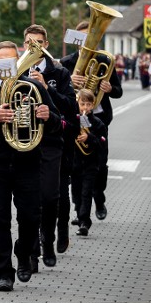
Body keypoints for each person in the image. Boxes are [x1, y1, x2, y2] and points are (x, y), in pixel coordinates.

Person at [0, 41, 62, 291]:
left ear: (18, 61)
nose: (7, 66)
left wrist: (47, 116)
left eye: (12, 61)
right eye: (1, 61)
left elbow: (57, 121)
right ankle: (4, 272)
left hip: (27, 161)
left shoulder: (33, 87)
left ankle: (24, 253)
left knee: (30, 216)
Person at [21, 25, 77, 273]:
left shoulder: (60, 73)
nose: (34, 47)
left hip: (52, 141)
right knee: (28, 201)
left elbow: (70, 109)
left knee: (50, 196)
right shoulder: (16, 71)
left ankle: (49, 241)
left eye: (39, 43)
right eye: (30, 43)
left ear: (46, 45)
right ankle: (31, 251)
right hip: (25, 142)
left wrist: (47, 88)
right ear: (24, 45)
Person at [60, 20, 122, 223]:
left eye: (90, 38)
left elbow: (118, 91)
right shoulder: (67, 63)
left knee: (100, 165)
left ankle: (99, 198)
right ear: (76, 41)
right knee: (76, 167)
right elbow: (58, 93)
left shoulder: (105, 60)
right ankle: (80, 210)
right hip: (75, 119)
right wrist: (70, 80)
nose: (86, 43)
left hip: (99, 120)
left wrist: (109, 89)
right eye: (82, 39)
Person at [70, 89, 107, 237]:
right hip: (75, 164)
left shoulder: (97, 123)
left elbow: (102, 144)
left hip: (91, 164)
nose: (85, 107)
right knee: (76, 194)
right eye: (82, 104)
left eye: (88, 104)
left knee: (86, 193)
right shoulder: (74, 120)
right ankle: (79, 215)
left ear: (93, 105)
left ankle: (85, 222)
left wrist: (89, 137)